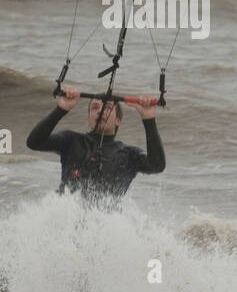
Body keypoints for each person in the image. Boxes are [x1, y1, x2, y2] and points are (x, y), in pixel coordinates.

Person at [26, 86, 165, 204]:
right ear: (88, 118)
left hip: (102, 226)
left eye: (107, 107)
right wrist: (61, 109)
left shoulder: (130, 155)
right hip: (65, 219)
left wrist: (148, 119)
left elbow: (157, 165)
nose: (100, 110)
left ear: (118, 121)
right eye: (94, 107)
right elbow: (34, 142)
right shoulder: (71, 141)